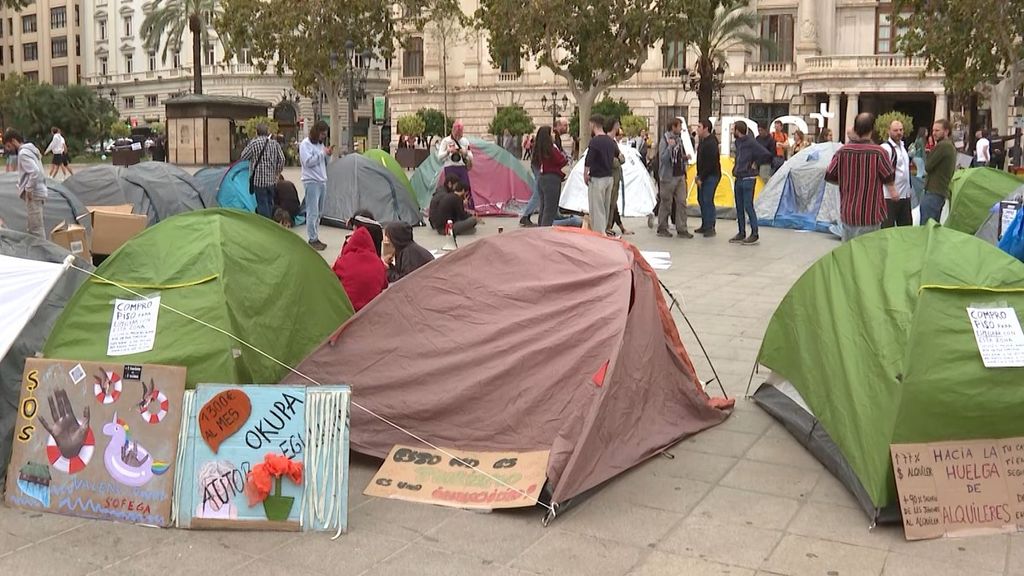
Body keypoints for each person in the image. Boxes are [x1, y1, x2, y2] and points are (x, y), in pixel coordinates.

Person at [824, 113, 897, 242]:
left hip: (848, 213)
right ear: (872, 129)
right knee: (868, 256)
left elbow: (829, 175)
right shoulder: (879, 153)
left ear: (855, 128)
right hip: (871, 214)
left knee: (849, 255)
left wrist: (846, 182)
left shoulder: (842, 152)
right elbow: (889, 178)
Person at [730, 122, 773, 245]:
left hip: (748, 177)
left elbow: (766, 154)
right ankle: (741, 232)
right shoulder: (738, 143)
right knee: (739, 206)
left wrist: (755, 163)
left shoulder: (751, 142)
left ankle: (754, 233)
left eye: (734, 129)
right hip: (739, 176)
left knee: (748, 205)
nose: (733, 131)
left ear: (738, 130)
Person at [3, 129, 48, 239]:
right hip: (40, 191)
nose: (8, 149)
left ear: (13, 141)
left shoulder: (23, 153)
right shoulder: (31, 150)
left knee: (36, 229)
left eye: (8, 146)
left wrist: (28, 189)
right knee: (33, 226)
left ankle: (41, 252)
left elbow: (35, 172)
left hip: (34, 193)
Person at [332, 227, 388, 312]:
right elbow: (384, 285)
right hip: (371, 309)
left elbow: (331, 279)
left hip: (349, 309)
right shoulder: (378, 262)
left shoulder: (344, 260)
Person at [240, 124, 286, 219]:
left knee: (262, 204)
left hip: (259, 181)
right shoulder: (274, 144)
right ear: (267, 132)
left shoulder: (254, 143)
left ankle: (266, 225)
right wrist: (277, 172)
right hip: (271, 180)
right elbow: (282, 160)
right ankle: (271, 222)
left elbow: (243, 156)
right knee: (270, 202)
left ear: (257, 132)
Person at [656, 118, 692, 239]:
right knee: (666, 202)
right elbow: (663, 159)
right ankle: (662, 227)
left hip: (680, 175)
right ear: (673, 127)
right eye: (679, 126)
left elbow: (678, 155)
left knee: (682, 202)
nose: (681, 128)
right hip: (668, 176)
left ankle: (682, 228)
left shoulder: (679, 140)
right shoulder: (665, 140)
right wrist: (669, 148)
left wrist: (684, 157)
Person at [300, 120, 332, 251]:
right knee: (312, 211)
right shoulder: (305, 145)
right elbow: (307, 162)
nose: (323, 136)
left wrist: (327, 155)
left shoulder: (320, 145)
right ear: (317, 132)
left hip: (322, 180)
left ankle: (316, 236)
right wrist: (322, 154)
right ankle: (312, 238)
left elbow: (324, 162)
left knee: (319, 212)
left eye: (325, 134)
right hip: (311, 181)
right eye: (322, 134)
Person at [584, 115, 618, 236]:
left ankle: (599, 234)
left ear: (593, 124)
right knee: (605, 207)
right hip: (609, 177)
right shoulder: (610, 141)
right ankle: (604, 230)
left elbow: (589, 159)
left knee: (596, 208)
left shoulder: (595, 141)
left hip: (597, 178)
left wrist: (585, 174)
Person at [920, 119, 957, 224]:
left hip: (934, 191)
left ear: (946, 131)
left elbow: (928, 166)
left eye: (937, 130)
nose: (934, 133)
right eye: (933, 130)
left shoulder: (943, 146)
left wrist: (930, 152)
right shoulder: (949, 145)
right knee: (933, 225)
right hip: (939, 191)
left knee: (926, 226)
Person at [532, 126, 569, 227]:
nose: (553, 135)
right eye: (552, 133)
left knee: (543, 208)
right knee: (550, 210)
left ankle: (541, 228)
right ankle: (545, 231)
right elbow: (561, 160)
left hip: (542, 178)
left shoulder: (539, 148)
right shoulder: (551, 148)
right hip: (552, 179)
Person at [882, 119, 913, 228]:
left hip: (905, 195)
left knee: (906, 229)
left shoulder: (903, 147)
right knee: (887, 229)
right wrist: (892, 190)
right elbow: (883, 171)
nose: (899, 132)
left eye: (901, 130)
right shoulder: (886, 148)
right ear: (889, 131)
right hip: (889, 197)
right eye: (895, 130)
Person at [437, 120, 474, 208]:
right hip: (450, 167)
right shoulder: (446, 141)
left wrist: (465, 152)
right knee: (451, 190)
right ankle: (451, 209)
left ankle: (468, 209)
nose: (458, 136)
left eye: (460, 135)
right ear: (452, 131)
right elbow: (439, 157)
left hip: (461, 168)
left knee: (466, 188)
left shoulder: (465, 141)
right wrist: (448, 151)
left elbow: (471, 156)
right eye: (456, 134)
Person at [695, 119, 721, 237]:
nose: (697, 129)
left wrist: (702, 177)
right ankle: (705, 224)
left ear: (706, 128)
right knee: (701, 199)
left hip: (711, 175)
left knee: (707, 200)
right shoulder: (702, 141)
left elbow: (710, 163)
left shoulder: (711, 142)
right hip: (702, 175)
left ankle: (710, 226)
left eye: (699, 127)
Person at [605, 117, 631, 236]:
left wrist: (620, 159)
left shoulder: (613, 142)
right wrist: (618, 160)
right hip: (611, 176)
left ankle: (612, 226)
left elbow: (622, 158)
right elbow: (612, 160)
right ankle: (607, 226)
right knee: (609, 203)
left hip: (616, 176)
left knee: (613, 203)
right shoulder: (608, 141)